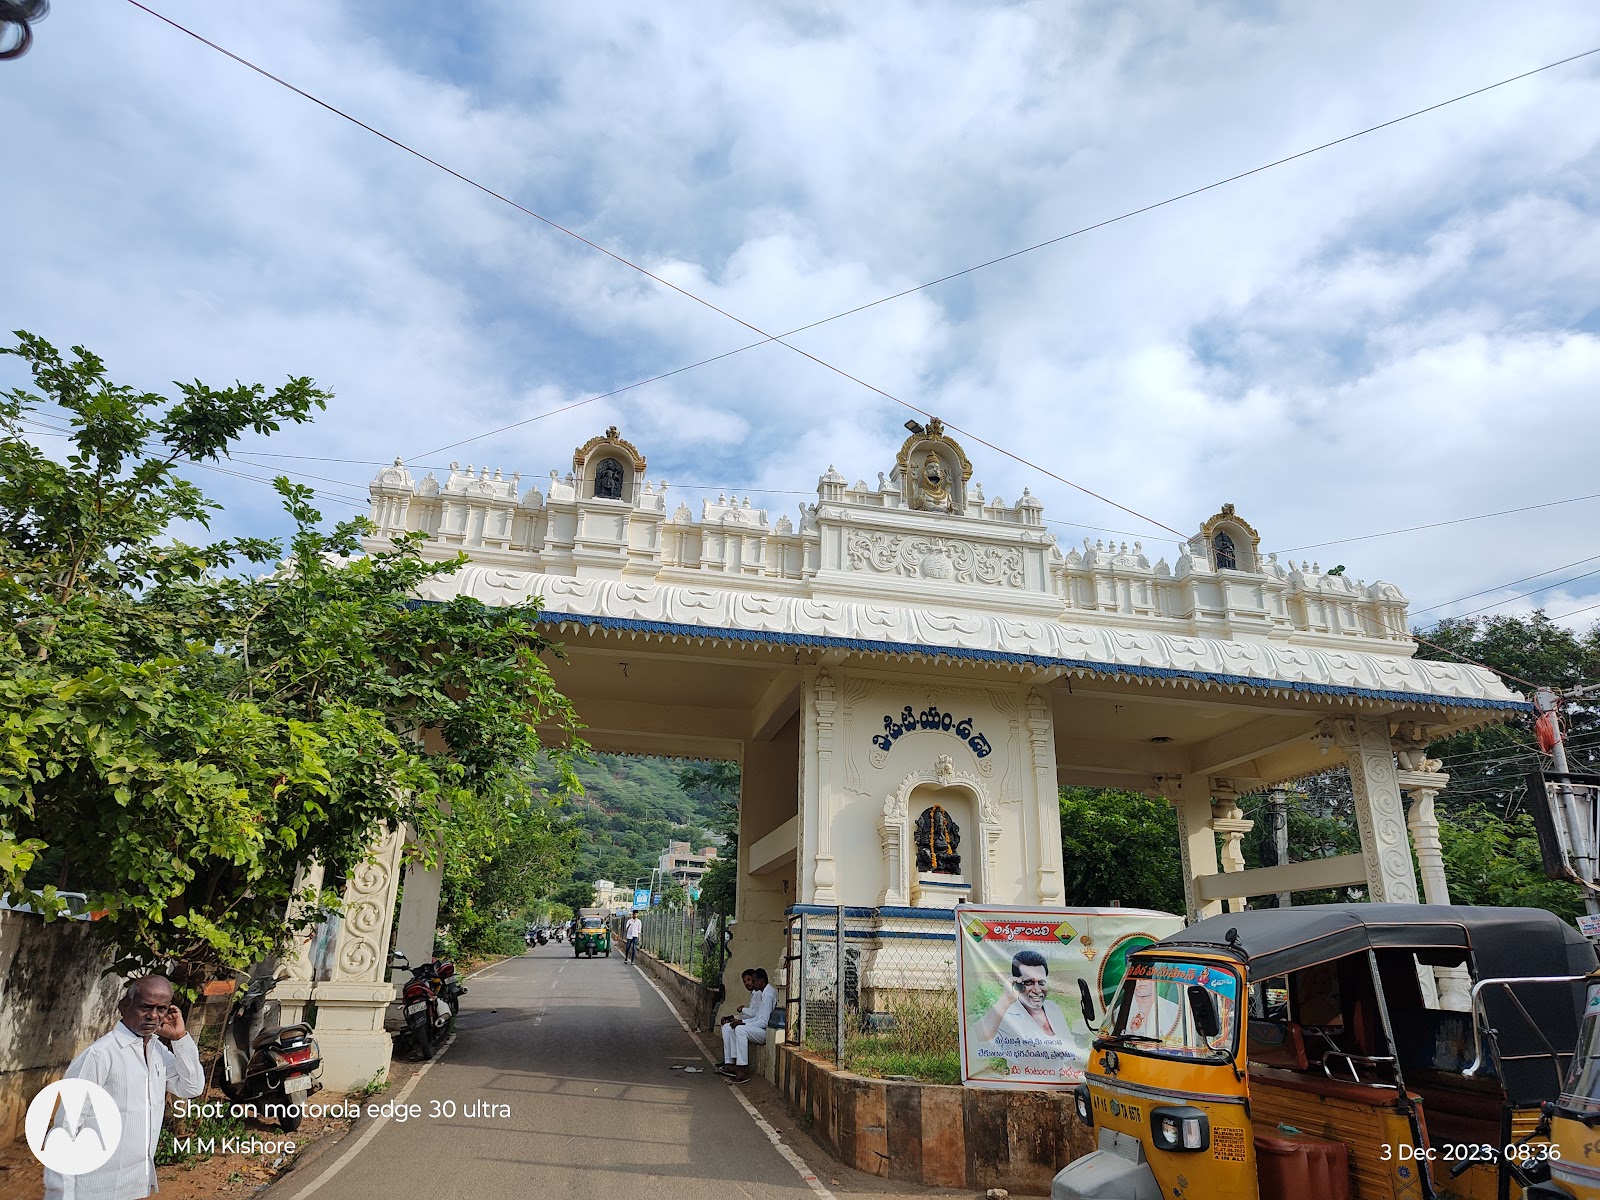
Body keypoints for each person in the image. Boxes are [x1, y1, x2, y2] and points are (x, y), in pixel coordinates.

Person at [44, 974, 204, 1200]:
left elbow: (192, 1087)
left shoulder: (157, 1051)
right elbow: (66, 1128)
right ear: (125, 1006)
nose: (153, 1016)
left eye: (161, 1009)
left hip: (135, 1183)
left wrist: (179, 1038)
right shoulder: (101, 1055)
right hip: (94, 1187)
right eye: (145, 1007)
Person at [968, 950, 1079, 1079]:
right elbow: (974, 1041)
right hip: (1027, 1086)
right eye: (1029, 983)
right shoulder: (1008, 1015)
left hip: (1063, 1083)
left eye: (1041, 982)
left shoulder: (1053, 1008)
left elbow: (1070, 1050)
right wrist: (1006, 999)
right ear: (1017, 983)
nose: (1037, 990)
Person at [718, 968, 775, 1083]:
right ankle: (733, 1063)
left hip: (765, 1032)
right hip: (759, 1028)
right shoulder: (764, 993)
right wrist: (739, 1021)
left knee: (740, 1030)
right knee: (735, 1027)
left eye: (754, 981)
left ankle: (742, 1069)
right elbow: (757, 1017)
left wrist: (743, 1022)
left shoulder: (768, 995)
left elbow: (763, 1022)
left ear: (761, 981)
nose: (752, 983)